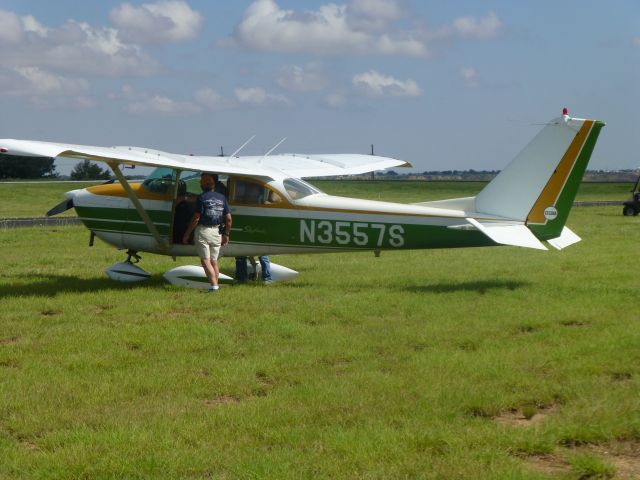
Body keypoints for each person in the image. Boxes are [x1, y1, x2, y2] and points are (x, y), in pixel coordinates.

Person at [182, 173, 232, 293]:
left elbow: (196, 218)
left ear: (203, 185)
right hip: (217, 232)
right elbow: (229, 219)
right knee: (214, 261)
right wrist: (226, 234)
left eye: (201, 182)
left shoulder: (201, 197)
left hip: (203, 231)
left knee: (205, 261)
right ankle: (216, 285)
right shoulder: (222, 198)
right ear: (214, 184)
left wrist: (187, 233)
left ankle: (214, 286)